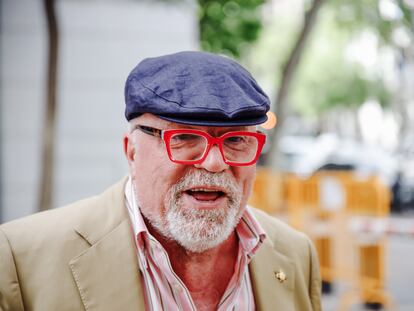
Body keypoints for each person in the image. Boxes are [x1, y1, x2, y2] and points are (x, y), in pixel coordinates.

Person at [0, 51, 321, 311]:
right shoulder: (21, 258)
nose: (214, 162)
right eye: (183, 137)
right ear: (132, 152)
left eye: (236, 141)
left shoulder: (296, 254)